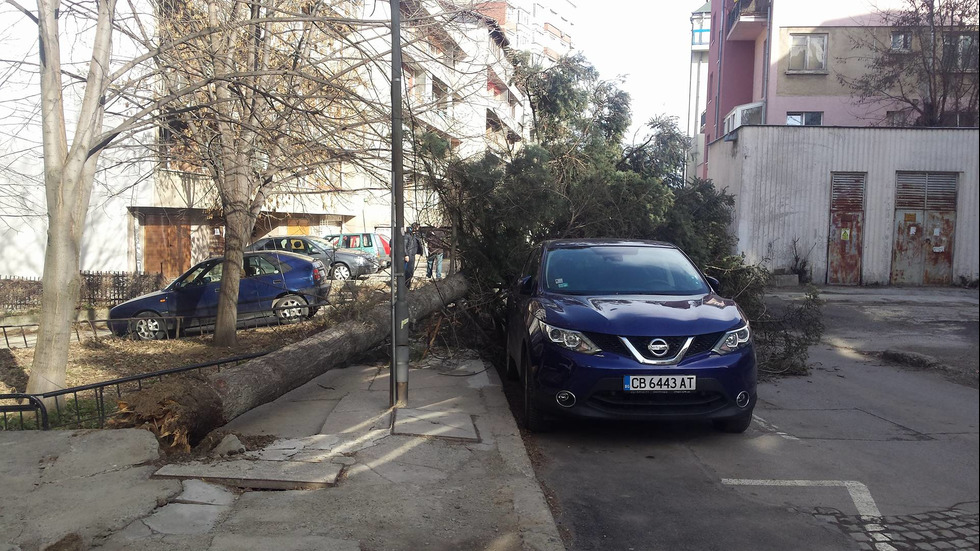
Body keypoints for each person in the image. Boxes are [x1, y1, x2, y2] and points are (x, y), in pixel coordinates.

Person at [403, 223, 423, 289]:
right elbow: (404, 246)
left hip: (412, 254)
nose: (418, 229)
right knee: (407, 272)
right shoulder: (407, 235)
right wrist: (406, 255)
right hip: (409, 255)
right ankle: (406, 286)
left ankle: (408, 285)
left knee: (411, 272)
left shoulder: (414, 235)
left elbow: (418, 243)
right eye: (417, 227)